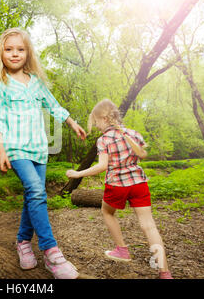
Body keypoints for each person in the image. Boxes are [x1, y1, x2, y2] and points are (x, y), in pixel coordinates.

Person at [0, 27, 86, 279]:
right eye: (9, 49)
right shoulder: (0, 84)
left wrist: (72, 122)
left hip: (39, 149)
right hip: (15, 148)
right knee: (36, 191)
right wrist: (0, 150)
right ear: (1, 53)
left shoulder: (36, 83)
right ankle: (51, 253)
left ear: (28, 52)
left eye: (20, 49)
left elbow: (53, 105)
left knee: (33, 195)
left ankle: (22, 242)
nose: (14, 53)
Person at [66, 98, 173, 279]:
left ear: (105, 119)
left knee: (107, 212)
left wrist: (77, 174)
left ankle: (122, 250)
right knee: (149, 226)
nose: (98, 126)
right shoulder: (133, 133)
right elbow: (144, 154)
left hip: (117, 185)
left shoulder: (104, 139)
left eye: (97, 121)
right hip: (139, 183)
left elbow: (102, 166)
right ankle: (165, 273)